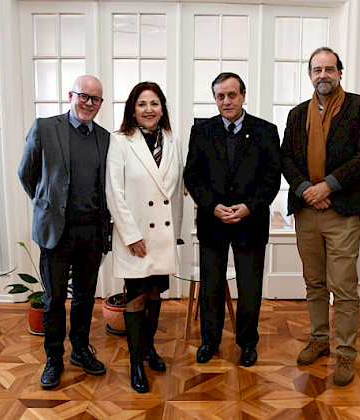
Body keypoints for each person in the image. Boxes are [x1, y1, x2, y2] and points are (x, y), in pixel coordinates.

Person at [280, 47, 360, 386]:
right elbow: (286, 159)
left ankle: (346, 354)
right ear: (310, 75)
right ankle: (319, 340)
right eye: (317, 69)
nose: (323, 74)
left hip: (343, 209)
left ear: (340, 72)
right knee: (315, 282)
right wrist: (308, 188)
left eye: (329, 69)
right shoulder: (297, 115)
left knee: (344, 286)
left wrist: (329, 187)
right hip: (307, 210)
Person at [18, 75, 110, 390]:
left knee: (85, 297)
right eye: (84, 96)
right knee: (55, 299)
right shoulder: (45, 127)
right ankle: (53, 358)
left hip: (92, 233)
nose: (89, 103)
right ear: (71, 95)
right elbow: (26, 173)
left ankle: (80, 351)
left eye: (96, 99)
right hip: (56, 232)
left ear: (101, 103)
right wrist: (47, 204)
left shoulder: (105, 137)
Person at [184, 72, 281, 367]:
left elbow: (272, 178)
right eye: (220, 96)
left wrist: (249, 207)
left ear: (243, 95)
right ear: (214, 98)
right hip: (213, 222)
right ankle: (209, 341)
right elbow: (192, 175)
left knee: (250, 287)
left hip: (250, 222)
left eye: (232, 95)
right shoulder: (201, 130)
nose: (226, 101)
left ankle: (248, 343)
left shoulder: (266, 130)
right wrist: (211, 206)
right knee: (211, 285)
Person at [106, 82, 183, 393]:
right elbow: (115, 191)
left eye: (154, 103)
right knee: (136, 298)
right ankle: (136, 362)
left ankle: (149, 348)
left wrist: (175, 233)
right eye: (142, 104)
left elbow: (175, 193)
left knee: (155, 295)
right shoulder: (120, 141)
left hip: (162, 235)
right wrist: (130, 235)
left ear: (162, 108)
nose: (149, 109)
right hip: (134, 238)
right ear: (132, 110)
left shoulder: (173, 140)